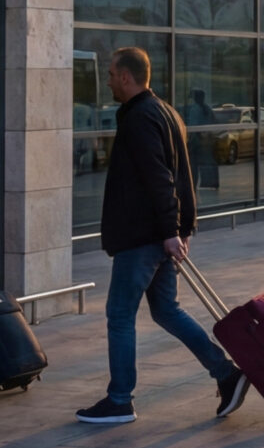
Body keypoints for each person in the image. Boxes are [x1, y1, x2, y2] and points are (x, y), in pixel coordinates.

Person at [75, 47, 250, 426]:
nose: (107, 81)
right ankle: (226, 373)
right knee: (166, 310)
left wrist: (172, 230)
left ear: (126, 76)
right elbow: (178, 177)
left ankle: (120, 399)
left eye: (110, 74)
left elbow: (160, 178)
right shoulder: (166, 112)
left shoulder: (140, 118)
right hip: (159, 233)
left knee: (119, 315)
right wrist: (178, 229)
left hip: (143, 236)